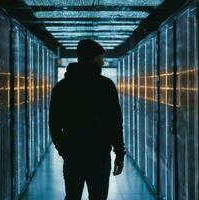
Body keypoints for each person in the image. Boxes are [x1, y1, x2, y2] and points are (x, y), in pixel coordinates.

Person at [49, 39, 126, 200]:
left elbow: (54, 124)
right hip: (100, 156)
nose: (103, 61)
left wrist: (64, 150)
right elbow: (115, 123)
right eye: (100, 58)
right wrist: (119, 153)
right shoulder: (105, 86)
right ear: (92, 59)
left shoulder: (62, 87)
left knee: (72, 196)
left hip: (73, 155)